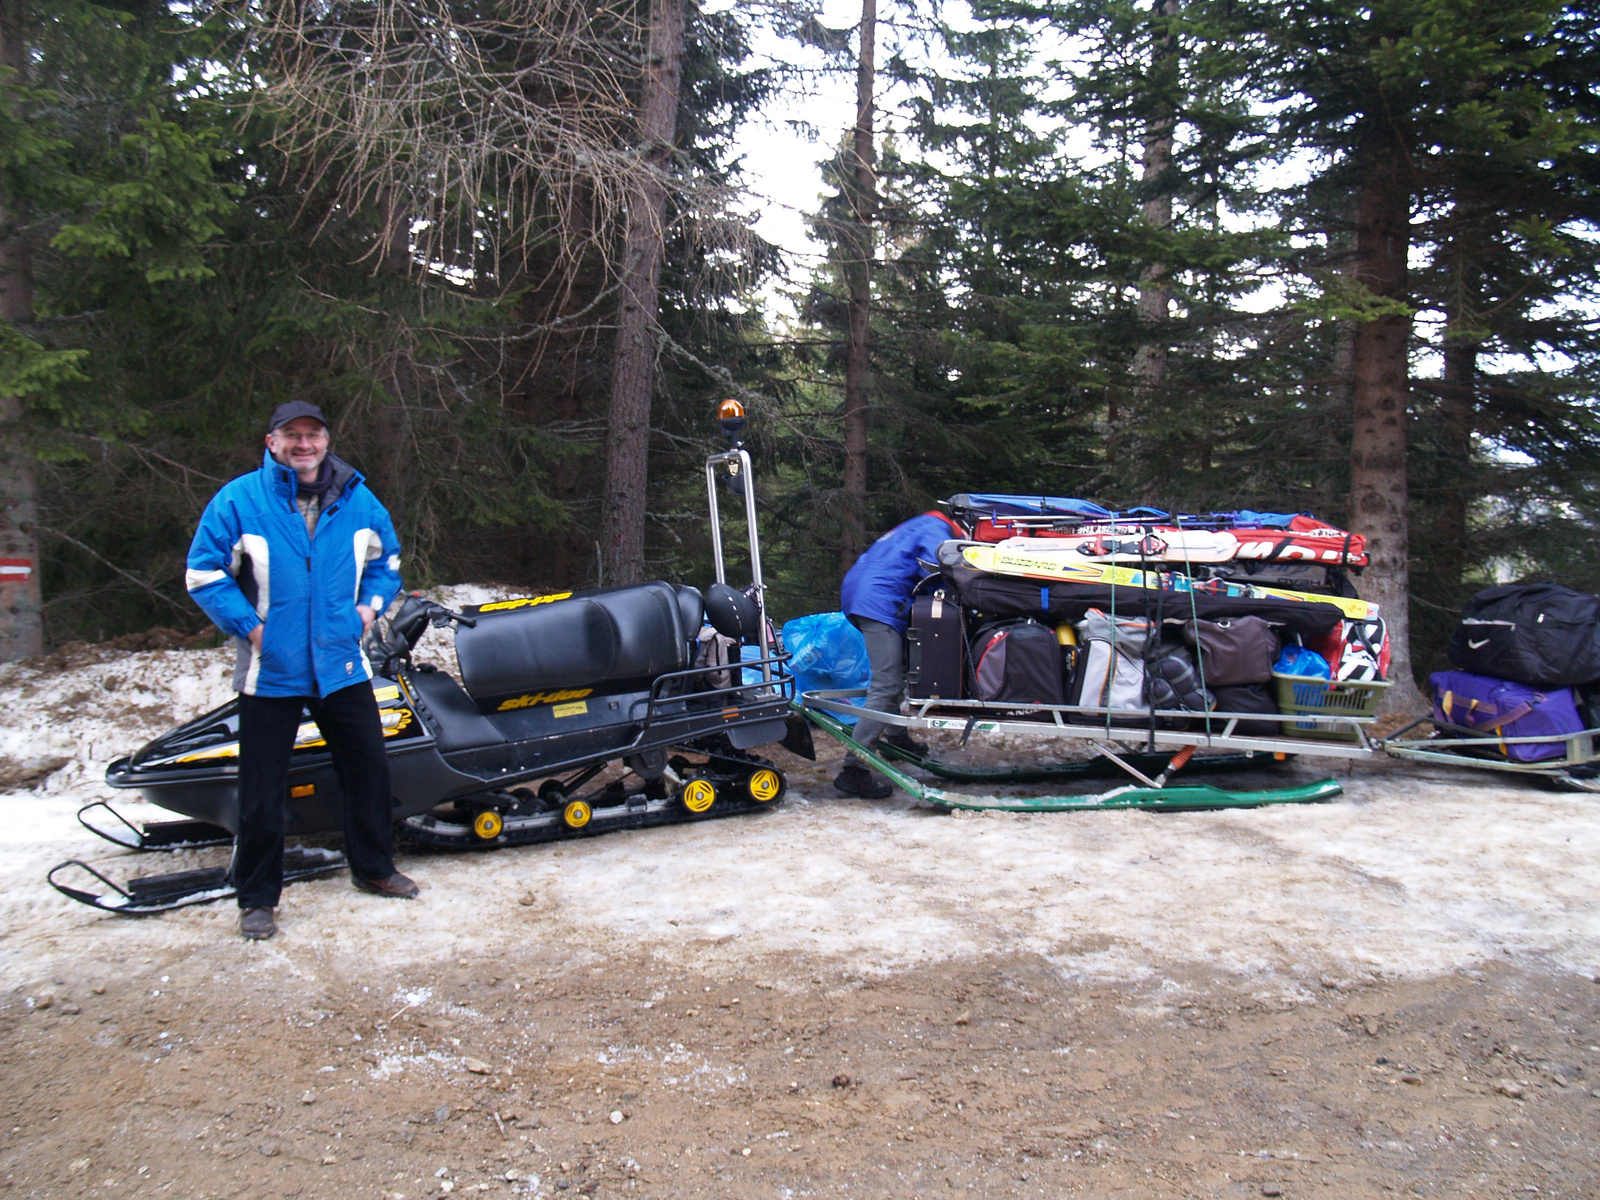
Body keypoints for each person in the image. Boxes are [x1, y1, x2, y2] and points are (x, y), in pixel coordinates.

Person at [186, 400, 416, 940]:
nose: (304, 444)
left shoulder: (358, 498)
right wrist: (250, 626)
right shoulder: (240, 500)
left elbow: (389, 562)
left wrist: (368, 608)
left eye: (313, 435)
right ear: (272, 443)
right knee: (263, 789)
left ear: (326, 440)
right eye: (292, 435)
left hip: (340, 664)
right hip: (272, 668)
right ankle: (258, 899)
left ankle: (376, 870)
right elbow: (203, 572)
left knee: (368, 772)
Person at [834, 509, 968, 798]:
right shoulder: (938, 529)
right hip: (877, 600)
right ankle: (854, 770)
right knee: (886, 684)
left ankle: (897, 739)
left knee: (897, 671)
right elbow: (938, 565)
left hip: (868, 593)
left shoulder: (923, 522)